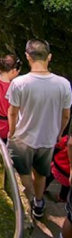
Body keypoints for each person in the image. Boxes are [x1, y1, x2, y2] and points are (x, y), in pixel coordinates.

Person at [7, 39, 72, 219]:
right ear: (49, 57)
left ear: (28, 57)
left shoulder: (20, 83)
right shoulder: (63, 84)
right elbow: (66, 114)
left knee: (24, 172)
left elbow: (12, 112)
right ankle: (38, 201)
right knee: (41, 173)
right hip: (48, 138)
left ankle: (26, 202)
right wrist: (59, 133)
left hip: (22, 137)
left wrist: (11, 132)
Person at [46, 134, 72, 238]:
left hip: (61, 168)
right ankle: (61, 197)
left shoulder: (66, 139)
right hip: (66, 175)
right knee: (65, 189)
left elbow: (68, 144)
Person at [45, 135, 71, 203]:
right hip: (68, 174)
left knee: (48, 177)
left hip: (58, 166)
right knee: (66, 187)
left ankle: (42, 188)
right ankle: (62, 197)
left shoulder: (67, 139)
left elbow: (58, 145)